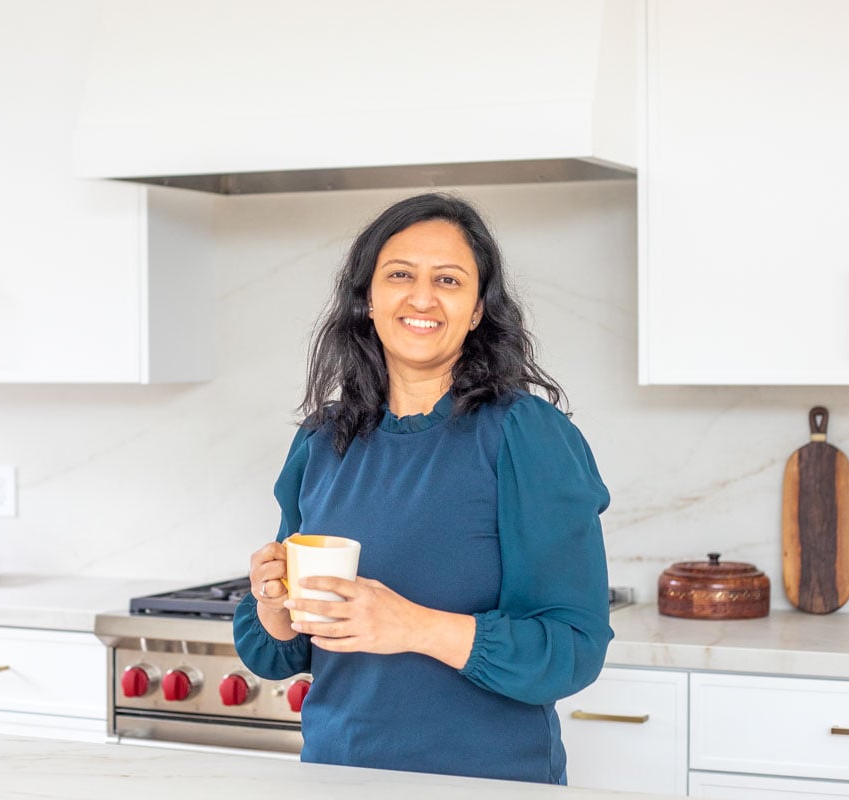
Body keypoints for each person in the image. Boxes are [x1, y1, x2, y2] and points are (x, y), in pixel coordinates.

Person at [233, 192, 612, 785]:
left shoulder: (525, 435)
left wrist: (412, 626)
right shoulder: (323, 440)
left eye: (449, 280)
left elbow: (573, 646)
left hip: (486, 781)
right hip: (336, 774)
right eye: (400, 275)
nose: (422, 297)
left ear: (478, 308)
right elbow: (282, 648)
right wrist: (274, 601)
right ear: (368, 299)